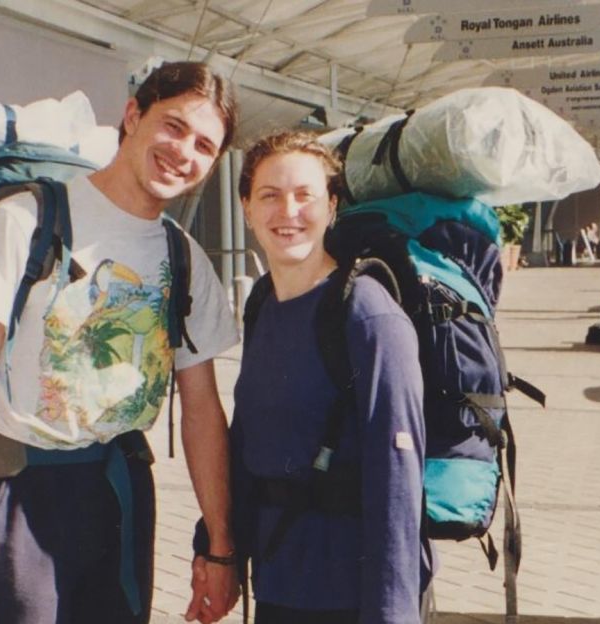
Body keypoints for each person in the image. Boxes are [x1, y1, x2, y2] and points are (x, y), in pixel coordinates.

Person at [0, 62, 241, 624]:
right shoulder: (25, 220)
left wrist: (220, 546)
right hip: (16, 492)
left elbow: (203, 412)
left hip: (117, 496)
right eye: (173, 126)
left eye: (205, 146)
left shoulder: (184, 259)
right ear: (133, 115)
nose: (184, 152)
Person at [188, 131, 428, 623]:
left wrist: (392, 613)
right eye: (269, 196)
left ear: (332, 206)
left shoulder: (367, 316)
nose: (288, 212)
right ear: (247, 209)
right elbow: (250, 440)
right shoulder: (262, 304)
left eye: (305, 196)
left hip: (350, 597)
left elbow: (398, 484)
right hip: (280, 583)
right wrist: (216, 548)